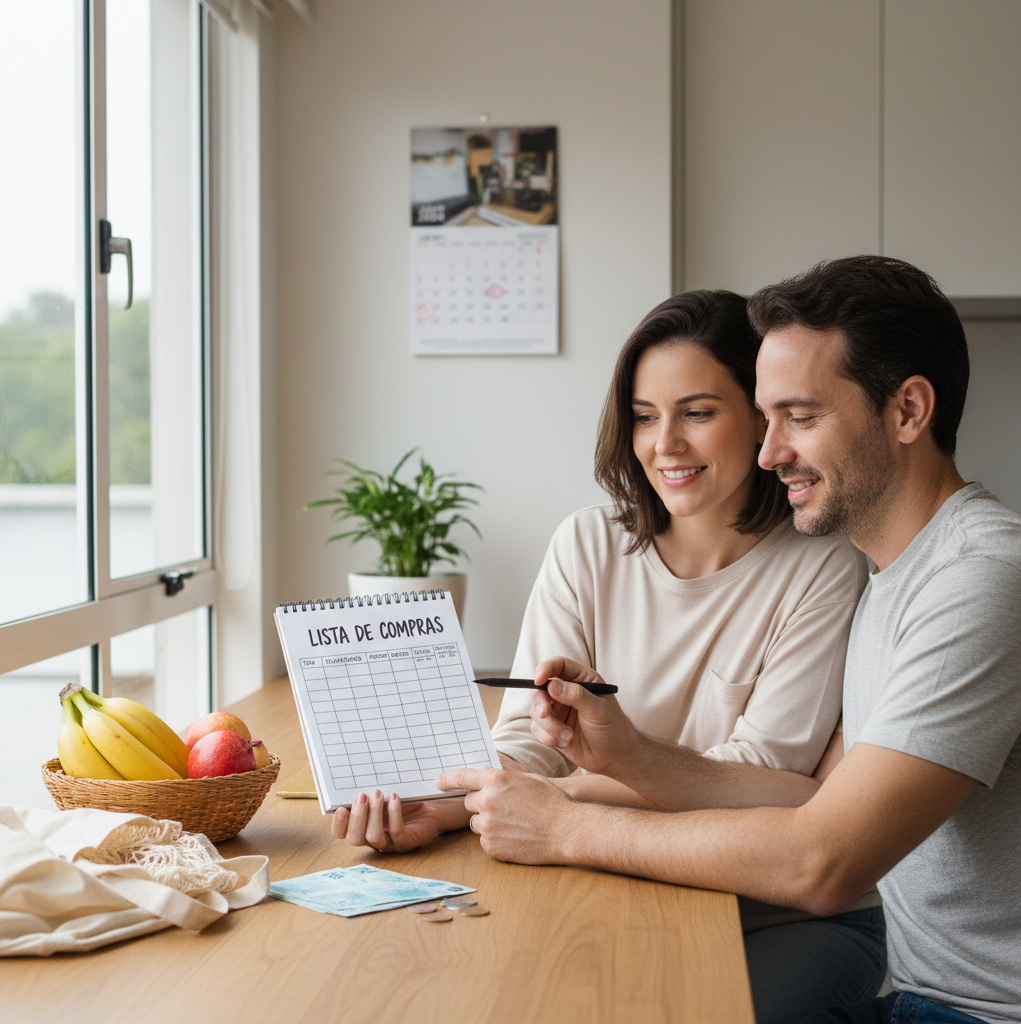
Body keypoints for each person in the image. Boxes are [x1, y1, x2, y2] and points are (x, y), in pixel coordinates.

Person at [437, 256, 1021, 1024]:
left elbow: (822, 861)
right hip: (923, 995)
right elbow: (814, 802)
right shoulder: (894, 576)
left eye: (800, 418)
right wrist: (626, 759)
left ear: (908, 411)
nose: (771, 451)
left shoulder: (979, 580)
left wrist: (568, 823)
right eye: (768, 414)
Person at [334, 290, 883, 1022]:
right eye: (644, 416)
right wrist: (445, 806)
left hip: (781, 916)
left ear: (759, 416)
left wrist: (554, 802)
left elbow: (767, 785)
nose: (666, 445)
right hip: (615, 877)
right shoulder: (587, 545)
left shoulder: (823, 564)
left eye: (697, 412)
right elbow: (529, 739)